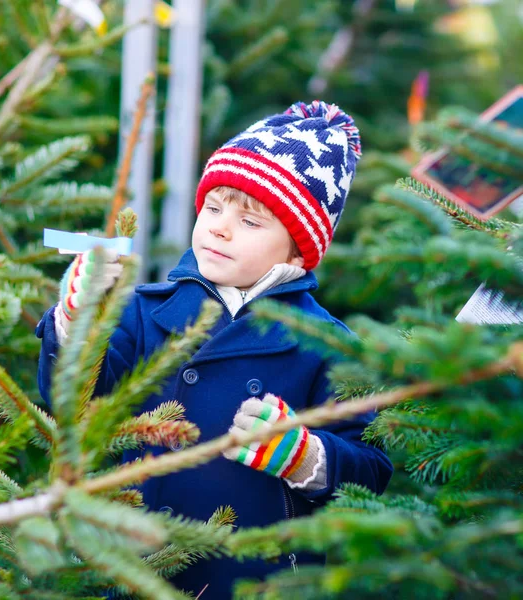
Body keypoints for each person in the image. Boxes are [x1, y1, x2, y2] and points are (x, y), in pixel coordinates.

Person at [36, 100, 393, 599]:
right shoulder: (143, 312)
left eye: (250, 222)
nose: (220, 227)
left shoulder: (325, 345)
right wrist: (77, 321)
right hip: (132, 567)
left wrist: (306, 455)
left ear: (296, 248)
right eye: (213, 208)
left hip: (253, 578)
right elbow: (73, 403)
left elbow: (371, 469)